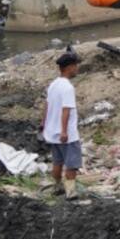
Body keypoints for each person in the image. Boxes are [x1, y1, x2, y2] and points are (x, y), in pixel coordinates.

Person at [42, 51, 82, 200]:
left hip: (52, 132)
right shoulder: (67, 87)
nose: (77, 68)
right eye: (75, 65)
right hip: (67, 135)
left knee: (57, 162)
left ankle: (57, 187)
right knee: (72, 164)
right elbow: (66, 110)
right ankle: (70, 192)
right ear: (69, 67)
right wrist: (64, 131)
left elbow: (47, 105)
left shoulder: (53, 85)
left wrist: (43, 123)